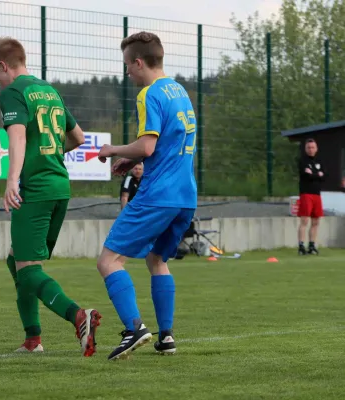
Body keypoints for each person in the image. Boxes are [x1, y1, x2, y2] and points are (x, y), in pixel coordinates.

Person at [0, 37, 101, 357]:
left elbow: (18, 135)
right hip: (60, 188)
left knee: (28, 269)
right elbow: (78, 138)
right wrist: (48, 155)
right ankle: (32, 339)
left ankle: (79, 316)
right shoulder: (49, 91)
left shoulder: (12, 92)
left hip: (35, 190)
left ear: (4, 66)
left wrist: (12, 181)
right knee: (18, 260)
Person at [97, 31, 198, 361]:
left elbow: (149, 145)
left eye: (128, 65)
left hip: (158, 194)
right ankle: (166, 336)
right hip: (185, 196)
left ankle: (134, 328)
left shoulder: (149, 93)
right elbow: (163, 146)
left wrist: (113, 150)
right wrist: (133, 159)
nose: (127, 72)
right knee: (157, 260)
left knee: (109, 261)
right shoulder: (179, 90)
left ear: (139, 62)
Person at [297, 138, 325, 255]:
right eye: (308, 147)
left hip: (317, 194)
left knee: (316, 221)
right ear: (305, 149)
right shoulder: (302, 161)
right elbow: (306, 176)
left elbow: (324, 176)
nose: (311, 149)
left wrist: (314, 174)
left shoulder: (320, 161)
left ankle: (312, 245)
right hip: (306, 193)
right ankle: (301, 246)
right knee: (304, 220)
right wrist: (316, 175)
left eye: (313, 147)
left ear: (316, 149)